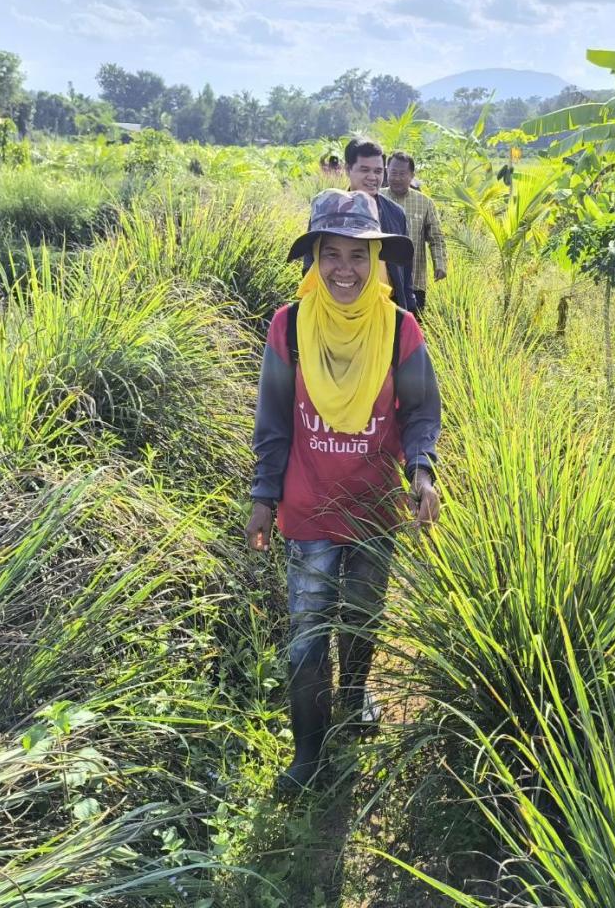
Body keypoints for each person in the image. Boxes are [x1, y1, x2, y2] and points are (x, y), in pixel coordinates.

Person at [246, 188, 442, 794]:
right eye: (332, 254)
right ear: (314, 257)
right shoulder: (291, 326)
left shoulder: (400, 329)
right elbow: (274, 420)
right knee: (307, 633)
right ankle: (308, 756)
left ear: (377, 260)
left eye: (359, 255)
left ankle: (355, 701)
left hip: (375, 506)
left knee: (360, 617)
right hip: (306, 509)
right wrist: (263, 494)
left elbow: (420, 413)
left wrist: (422, 469)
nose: (345, 270)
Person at [344, 138, 416, 313]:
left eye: (378, 171)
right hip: (342, 310)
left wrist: (407, 311)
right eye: (364, 170)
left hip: (387, 310)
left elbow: (405, 270)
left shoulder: (396, 214)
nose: (372, 177)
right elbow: (311, 265)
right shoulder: (330, 210)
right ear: (348, 169)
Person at [381, 151, 448, 312]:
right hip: (383, 281)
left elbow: (436, 237)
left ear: (412, 175)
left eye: (402, 174)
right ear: (386, 171)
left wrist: (439, 264)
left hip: (414, 281)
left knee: (412, 329)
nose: (397, 178)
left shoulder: (424, 203)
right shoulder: (376, 198)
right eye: (393, 172)